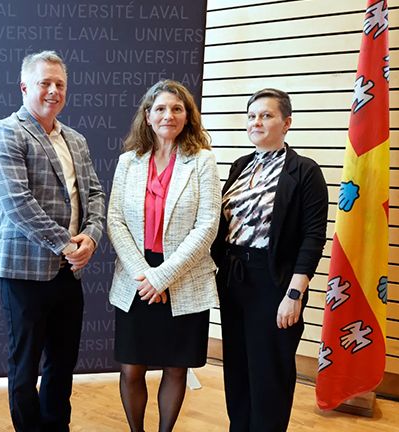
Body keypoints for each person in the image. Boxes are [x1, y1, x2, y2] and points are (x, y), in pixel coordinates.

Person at [0, 51, 106, 431]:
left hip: (70, 274)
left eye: (60, 84)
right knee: (25, 366)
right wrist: (67, 245)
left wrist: (91, 238)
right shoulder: (5, 132)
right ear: (24, 87)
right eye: (44, 83)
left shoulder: (77, 140)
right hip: (24, 272)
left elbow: (96, 195)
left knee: (62, 365)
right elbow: (16, 203)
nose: (53, 91)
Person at [211, 88, 329, 432]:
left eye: (266, 115)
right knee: (237, 366)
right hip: (234, 278)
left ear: (287, 123)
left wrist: (295, 294)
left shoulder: (304, 172)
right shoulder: (240, 166)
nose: (257, 122)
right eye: (251, 116)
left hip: (274, 282)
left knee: (270, 372)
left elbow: (312, 237)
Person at [107, 80, 221, 432]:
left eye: (176, 108)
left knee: (176, 367)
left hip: (183, 278)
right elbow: (115, 219)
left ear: (187, 117)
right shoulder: (129, 162)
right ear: (147, 116)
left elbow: (207, 226)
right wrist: (146, 276)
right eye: (160, 108)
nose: (167, 115)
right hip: (135, 278)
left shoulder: (202, 161)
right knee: (131, 367)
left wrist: (162, 277)